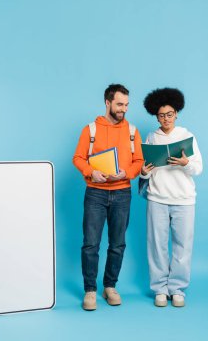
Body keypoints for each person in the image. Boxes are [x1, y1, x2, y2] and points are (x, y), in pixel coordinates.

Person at [73, 84, 143, 311]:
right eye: (119, 104)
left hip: (123, 192)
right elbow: (78, 158)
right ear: (108, 103)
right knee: (90, 244)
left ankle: (110, 286)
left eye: (126, 105)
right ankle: (90, 290)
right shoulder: (90, 129)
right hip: (95, 193)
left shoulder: (132, 130)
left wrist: (129, 173)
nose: (124, 109)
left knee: (118, 244)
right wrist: (91, 172)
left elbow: (139, 161)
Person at [140, 87, 203, 307]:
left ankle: (177, 289)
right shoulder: (151, 137)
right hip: (157, 198)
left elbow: (198, 168)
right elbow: (145, 170)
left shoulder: (187, 136)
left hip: (184, 200)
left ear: (176, 113)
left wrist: (186, 163)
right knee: (156, 245)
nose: (165, 119)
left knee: (182, 246)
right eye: (161, 115)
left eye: (169, 114)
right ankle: (159, 288)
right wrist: (144, 171)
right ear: (156, 116)